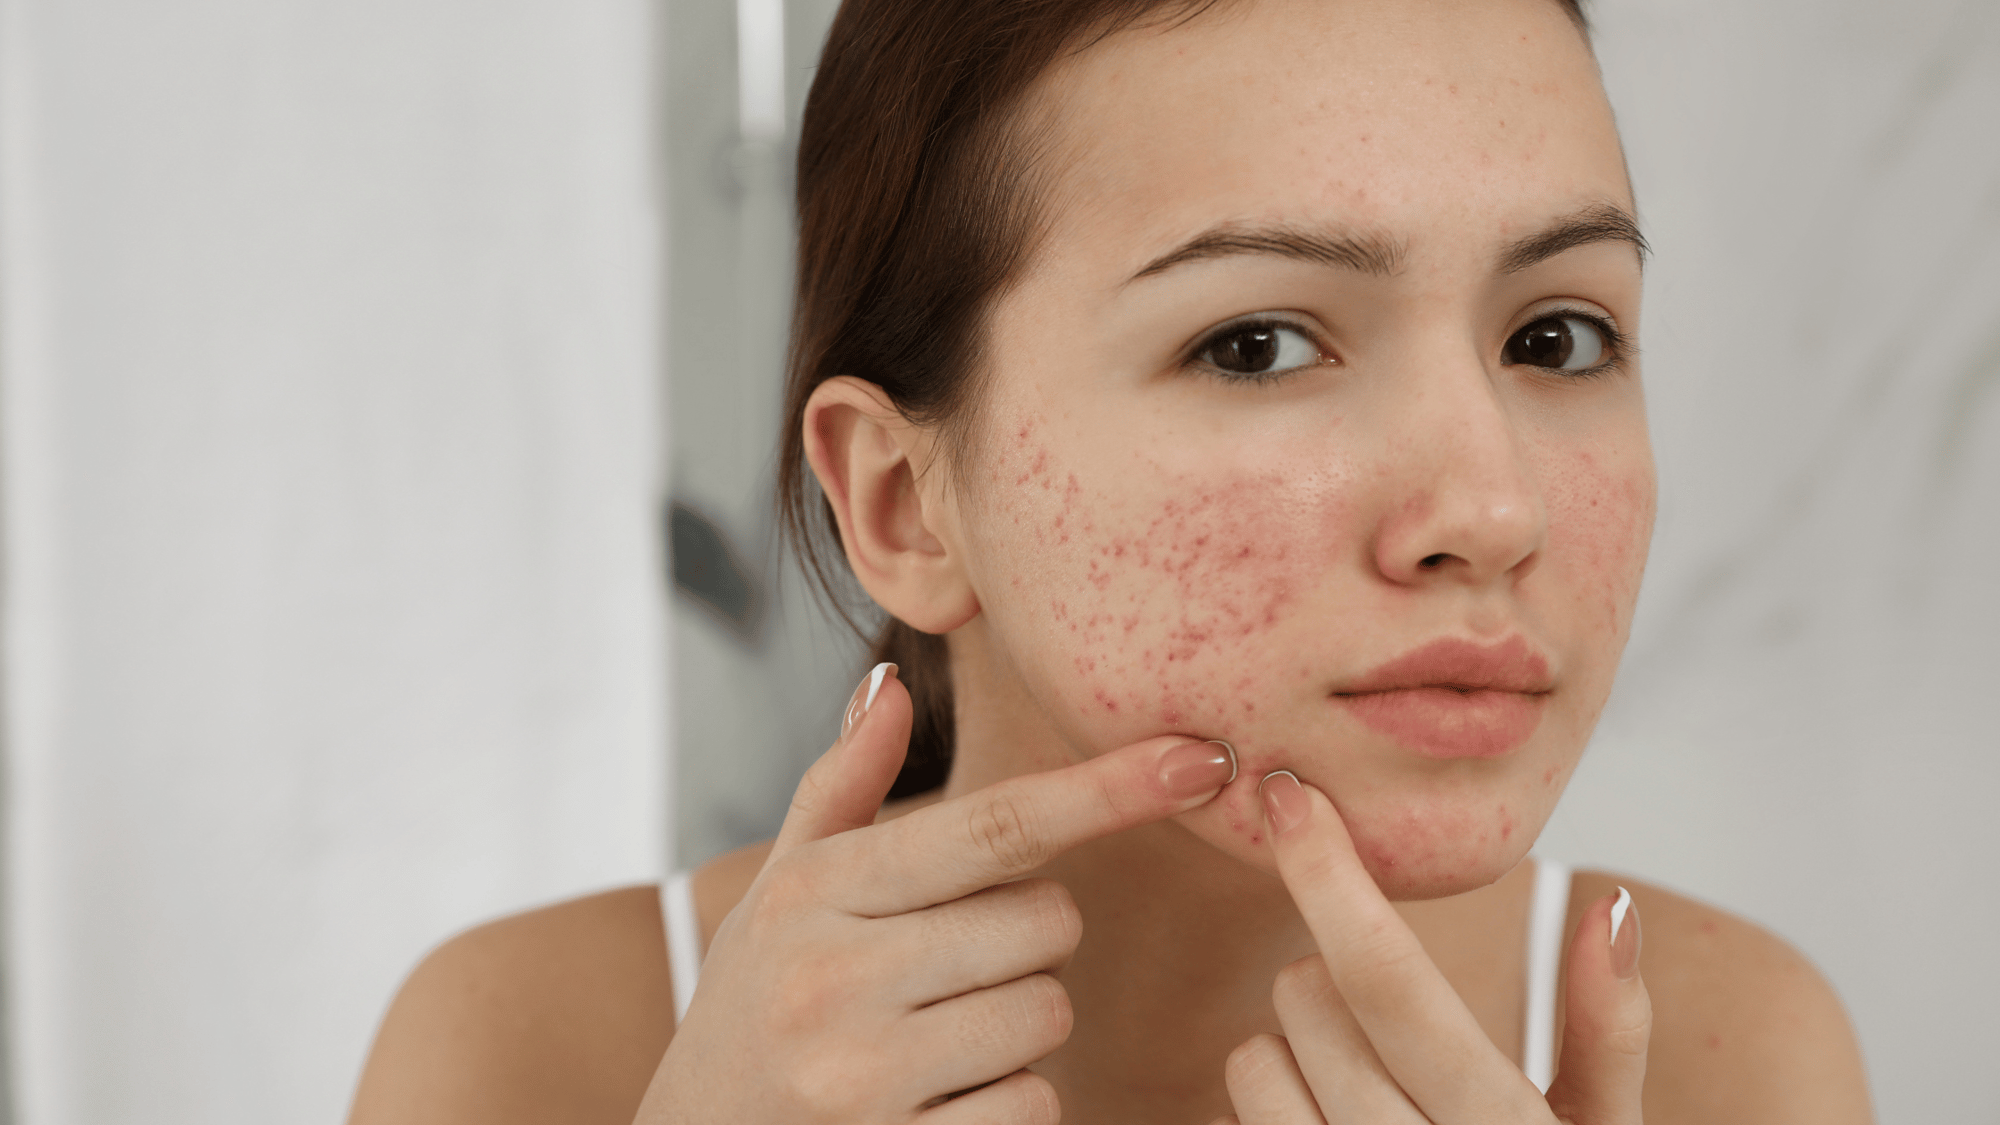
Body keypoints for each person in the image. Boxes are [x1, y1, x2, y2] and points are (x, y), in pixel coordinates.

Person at [347, 0, 1875, 1121]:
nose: (1490, 510)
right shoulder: (535, 1053)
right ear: (902, 503)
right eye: (1259, 343)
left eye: (1559, 334)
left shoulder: (1735, 1059)